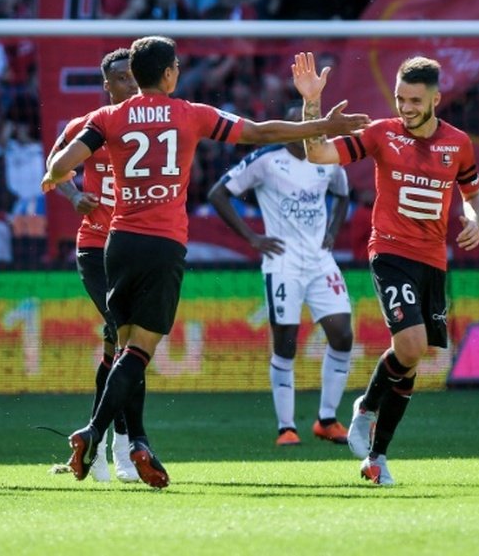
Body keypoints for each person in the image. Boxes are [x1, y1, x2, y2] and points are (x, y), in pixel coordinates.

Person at [41, 36, 369, 489]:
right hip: (163, 243)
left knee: (121, 345)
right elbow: (259, 132)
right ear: (171, 73)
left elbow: (61, 165)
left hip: (116, 242)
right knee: (137, 350)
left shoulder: (105, 118)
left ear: (134, 76)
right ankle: (98, 433)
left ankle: (122, 441)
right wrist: (319, 126)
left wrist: (62, 180)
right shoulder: (191, 113)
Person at [292, 52, 479, 486]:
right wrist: (312, 107)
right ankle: (367, 416)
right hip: (390, 252)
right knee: (412, 345)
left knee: (412, 359)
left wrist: (474, 220)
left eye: (415, 101)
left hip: (432, 259)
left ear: (436, 98)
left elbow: (473, 195)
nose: (406, 108)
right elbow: (319, 154)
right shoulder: (381, 134)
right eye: (400, 99)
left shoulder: (459, 144)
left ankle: (376, 451)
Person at [207, 109, 354, 447]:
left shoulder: (328, 157)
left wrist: (333, 229)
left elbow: (343, 195)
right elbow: (218, 193)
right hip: (283, 262)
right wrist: (253, 238)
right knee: (286, 343)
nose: (307, 134)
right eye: (300, 127)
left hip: (320, 261)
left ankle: (327, 420)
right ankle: (286, 427)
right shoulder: (266, 159)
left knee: (342, 335)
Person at [44, 48, 141, 483]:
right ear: (107, 84)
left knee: (119, 348)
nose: (131, 84)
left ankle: (96, 445)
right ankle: (125, 445)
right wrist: (73, 196)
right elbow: (53, 169)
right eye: (121, 78)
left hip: (138, 243)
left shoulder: (154, 127)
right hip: (97, 246)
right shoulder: (86, 126)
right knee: (127, 340)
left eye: (135, 77)